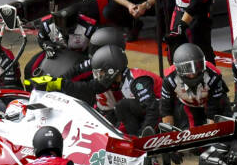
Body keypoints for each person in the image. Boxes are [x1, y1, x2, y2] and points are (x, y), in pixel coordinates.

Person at [29, 45, 161, 136]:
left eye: (101, 73)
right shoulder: (118, 80)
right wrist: (56, 83)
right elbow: (88, 88)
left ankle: (137, 138)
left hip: (163, 113)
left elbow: (153, 108)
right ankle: (132, 137)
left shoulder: (137, 81)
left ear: (111, 70)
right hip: (150, 113)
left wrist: (143, 138)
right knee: (114, 114)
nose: (99, 76)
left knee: (122, 106)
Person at [160, 43, 231, 129]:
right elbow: (166, 108)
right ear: (178, 69)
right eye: (187, 68)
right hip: (187, 105)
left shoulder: (214, 75)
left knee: (224, 128)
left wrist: (211, 130)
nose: (193, 74)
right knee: (188, 131)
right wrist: (168, 131)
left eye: (197, 66)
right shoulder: (169, 79)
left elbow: (214, 106)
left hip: (213, 103)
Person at [24, 10, 97, 82]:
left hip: (81, 56)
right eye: (59, 20)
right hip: (55, 53)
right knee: (29, 68)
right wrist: (48, 46)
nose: (64, 24)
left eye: (69, 20)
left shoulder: (90, 26)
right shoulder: (46, 23)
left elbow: (96, 50)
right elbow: (41, 39)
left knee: (88, 76)